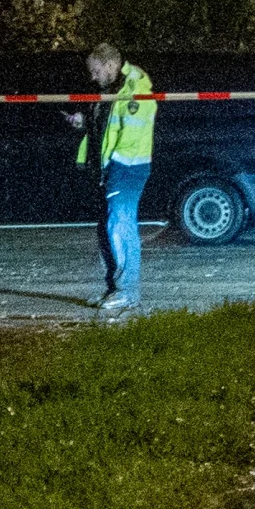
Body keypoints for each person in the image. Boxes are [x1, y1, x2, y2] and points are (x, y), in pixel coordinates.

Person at [71, 40, 157, 311]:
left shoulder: (133, 88)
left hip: (126, 167)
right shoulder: (110, 88)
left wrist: (114, 164)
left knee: (119, 226)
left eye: (95, 70)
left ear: (110, 64)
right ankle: (114, 289)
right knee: (106, 229)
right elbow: (106, 127)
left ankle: (127, 292)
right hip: (111, 167)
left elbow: (131, 133)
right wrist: (83, 122)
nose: (92, 76)